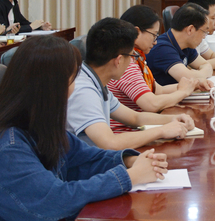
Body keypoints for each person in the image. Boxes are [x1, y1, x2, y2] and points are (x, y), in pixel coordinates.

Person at [0, 36, 167, 221]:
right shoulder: (8, 146)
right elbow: (54, 199)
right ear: (50, 88)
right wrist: (129, 177)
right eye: (72, 80)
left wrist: (130, 160)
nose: (74, 88)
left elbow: (84, 158)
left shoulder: (39, 126)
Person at [67, 17, 194, 149]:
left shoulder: (96, 80)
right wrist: (161, 131)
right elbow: (110, 143)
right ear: (119, 60)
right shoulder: (84, 90)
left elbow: (134, 118)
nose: (132, 62)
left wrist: (174, 119)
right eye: (132, 56)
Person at [107, 5, 200, 130]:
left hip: (140, 126)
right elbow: (152, 104)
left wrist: (193, 85)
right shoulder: (126, 64)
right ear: (137, 32)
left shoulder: (137, 58)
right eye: (154, 35)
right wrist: (182, 92)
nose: (155, 41)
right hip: (126, 132)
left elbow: (158, 90)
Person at [145, 3, 215, 86]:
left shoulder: (186, 44)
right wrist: (196, 74)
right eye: (204, 32)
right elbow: (189, 79)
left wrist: (196, 73)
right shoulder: (163, 48)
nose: (204, 37)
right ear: (190, 29)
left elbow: (207, 65)